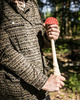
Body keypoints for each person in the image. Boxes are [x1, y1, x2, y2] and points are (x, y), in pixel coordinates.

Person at [0, 0, 65, 100]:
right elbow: (4, 52)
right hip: (16, 92)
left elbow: (38, 43)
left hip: (42, 91)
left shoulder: (32, 3)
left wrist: (48, 37)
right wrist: (42, 82)